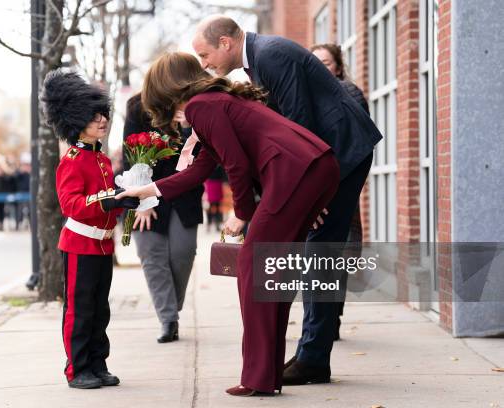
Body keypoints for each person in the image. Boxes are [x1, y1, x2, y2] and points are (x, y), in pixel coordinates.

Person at [116, 52, 340, 396]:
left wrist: (243, 212)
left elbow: (235, 164)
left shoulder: (201, 107)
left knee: (254, 267)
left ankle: (258, 378)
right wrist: (145, 190)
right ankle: (267, 375)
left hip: (296, 172)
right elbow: (199, 170)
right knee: (273, 273)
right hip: (311, 167)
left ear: (165, 86)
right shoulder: (213, 102)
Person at [191, 15, 383, 385]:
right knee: (315, 250)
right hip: (328, 155)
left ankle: (313, 357)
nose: (205, 64)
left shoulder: (271, 55)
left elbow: (299, 122)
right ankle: (312, 353)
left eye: (205, 55)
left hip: (341, 152)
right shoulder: (259, 58)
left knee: (320, 252)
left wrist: (309, 189)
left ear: (226, 43)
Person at [40, 68, 140, 389]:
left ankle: (97, 364)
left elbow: (107, 197)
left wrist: (124, 201)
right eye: (95, 116)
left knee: (100, 311)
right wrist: (107, 201)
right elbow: (71, 205)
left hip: (102, 245)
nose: (102, 120)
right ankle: (77, 368)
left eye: (103, 114)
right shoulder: (71, 160)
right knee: (79, 312)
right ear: (77, 120)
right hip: (80, 245)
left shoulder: (102, 160)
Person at [123, 94, 203, 343]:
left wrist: (190, 126)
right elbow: (131, 155)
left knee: (183, 253)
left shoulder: (193, 105)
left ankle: (170, 307)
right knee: (151, 255)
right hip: (144, 193)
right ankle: (168, 320)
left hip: (183, 193)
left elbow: (207, 157)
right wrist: (143, 201)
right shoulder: (138, 106)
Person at [311, 42, 371, 340]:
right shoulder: (306, 97)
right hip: (316, 190)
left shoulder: (350, 93)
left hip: (341, 185)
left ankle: (332, 317)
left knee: (340, 256)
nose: (322, 67)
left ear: (337, 66)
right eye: (315, 62)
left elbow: (357, 143)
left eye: (326, 62)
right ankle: (323, 318)